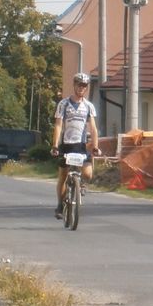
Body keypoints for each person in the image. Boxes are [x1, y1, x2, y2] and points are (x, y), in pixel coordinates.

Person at [51, 72, 99, 219]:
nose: (81, 88)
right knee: (63, 175)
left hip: (81, 145)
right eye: (79, 85)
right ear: (74, 85)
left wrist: (95, 146)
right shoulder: (64, 104)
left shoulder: (89, 106)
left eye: (84, 86)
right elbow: (58, 125)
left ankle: (81, 184)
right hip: (66, 145)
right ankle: (60, 205)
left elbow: (93, 128)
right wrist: (55, 145)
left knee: (88, 173)